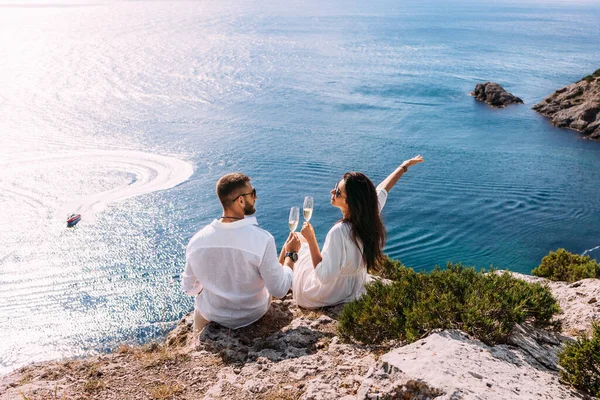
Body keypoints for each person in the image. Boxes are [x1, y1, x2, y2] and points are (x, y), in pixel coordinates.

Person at [293, 156, 424, 309]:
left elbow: (324, 277)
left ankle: (277, 286)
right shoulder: (370, 216)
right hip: (353, 289)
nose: (332, 191)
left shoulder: (339, 232)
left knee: (298, 243)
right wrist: (404, 166)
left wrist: (311, 240)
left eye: (337, 192)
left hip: (325, 295)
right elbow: (383, 189)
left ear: (350, 202)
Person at [182, 172, 301, 332]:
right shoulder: (262, 239)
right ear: (241, 200)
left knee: (198, 323)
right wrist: (290, 255)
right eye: (253, 193)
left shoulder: (197, 241)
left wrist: (214, 287)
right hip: (253, 315)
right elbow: (279, 290)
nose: (256, 198)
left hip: (212, 316)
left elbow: (189, 288)